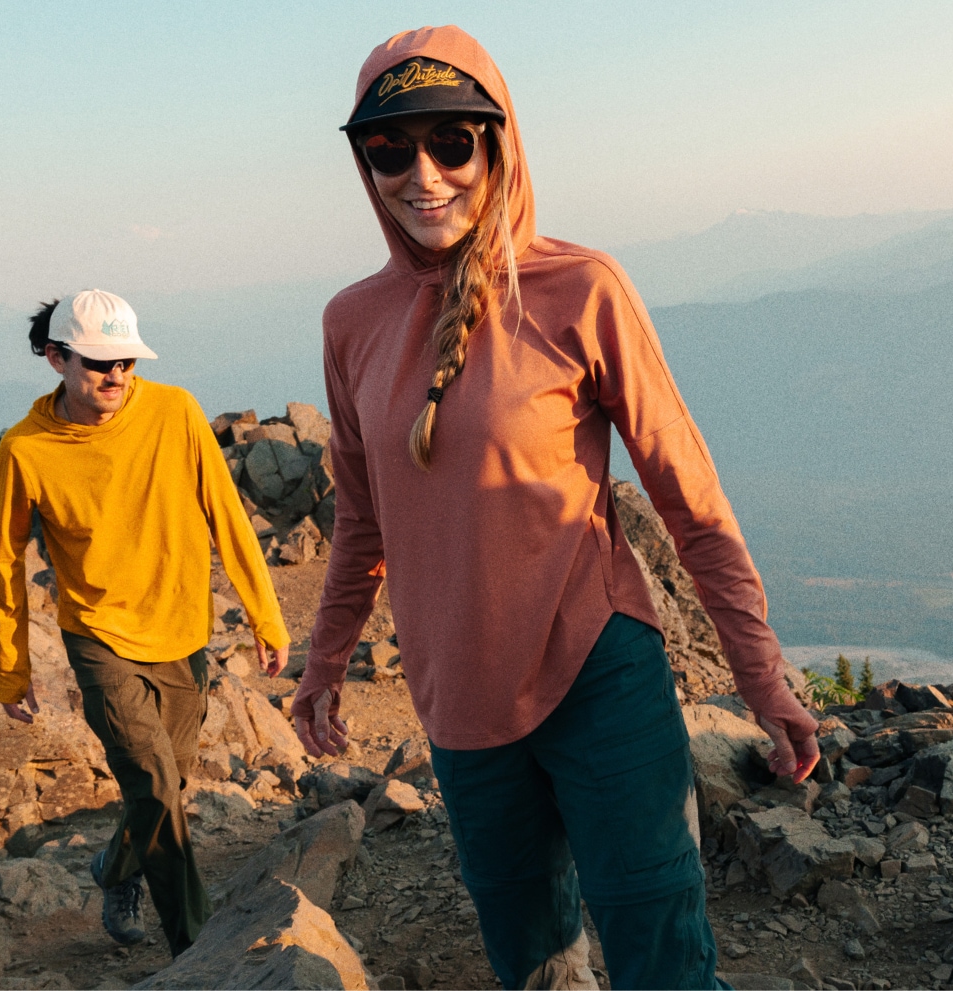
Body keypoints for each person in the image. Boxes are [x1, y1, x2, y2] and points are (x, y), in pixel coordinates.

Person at [291, 26, 820, 991]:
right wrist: (325, 662)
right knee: (528, 954)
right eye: (390, 147)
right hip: (457, 696)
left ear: (499, 144)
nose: (424, 173)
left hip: (597, 670)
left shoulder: (582, 288)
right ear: (363, 160)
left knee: (658, 942)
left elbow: (687, 496)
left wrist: (761, 674)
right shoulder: (350, 323)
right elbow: (363, 518)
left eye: (453, 140)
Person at [0, 288, 290, 955]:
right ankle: (201, 952)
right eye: (98, 363)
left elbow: (227, 515)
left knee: (167, 790)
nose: (116, 377)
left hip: (184, 632)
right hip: (97, 636)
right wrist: (12, 670)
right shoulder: (26, 449)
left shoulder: (175, 412)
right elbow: (6, 563)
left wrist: (265, 615)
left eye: (125, 361)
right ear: (56, 358)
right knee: (156, 787)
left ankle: (115, 865)